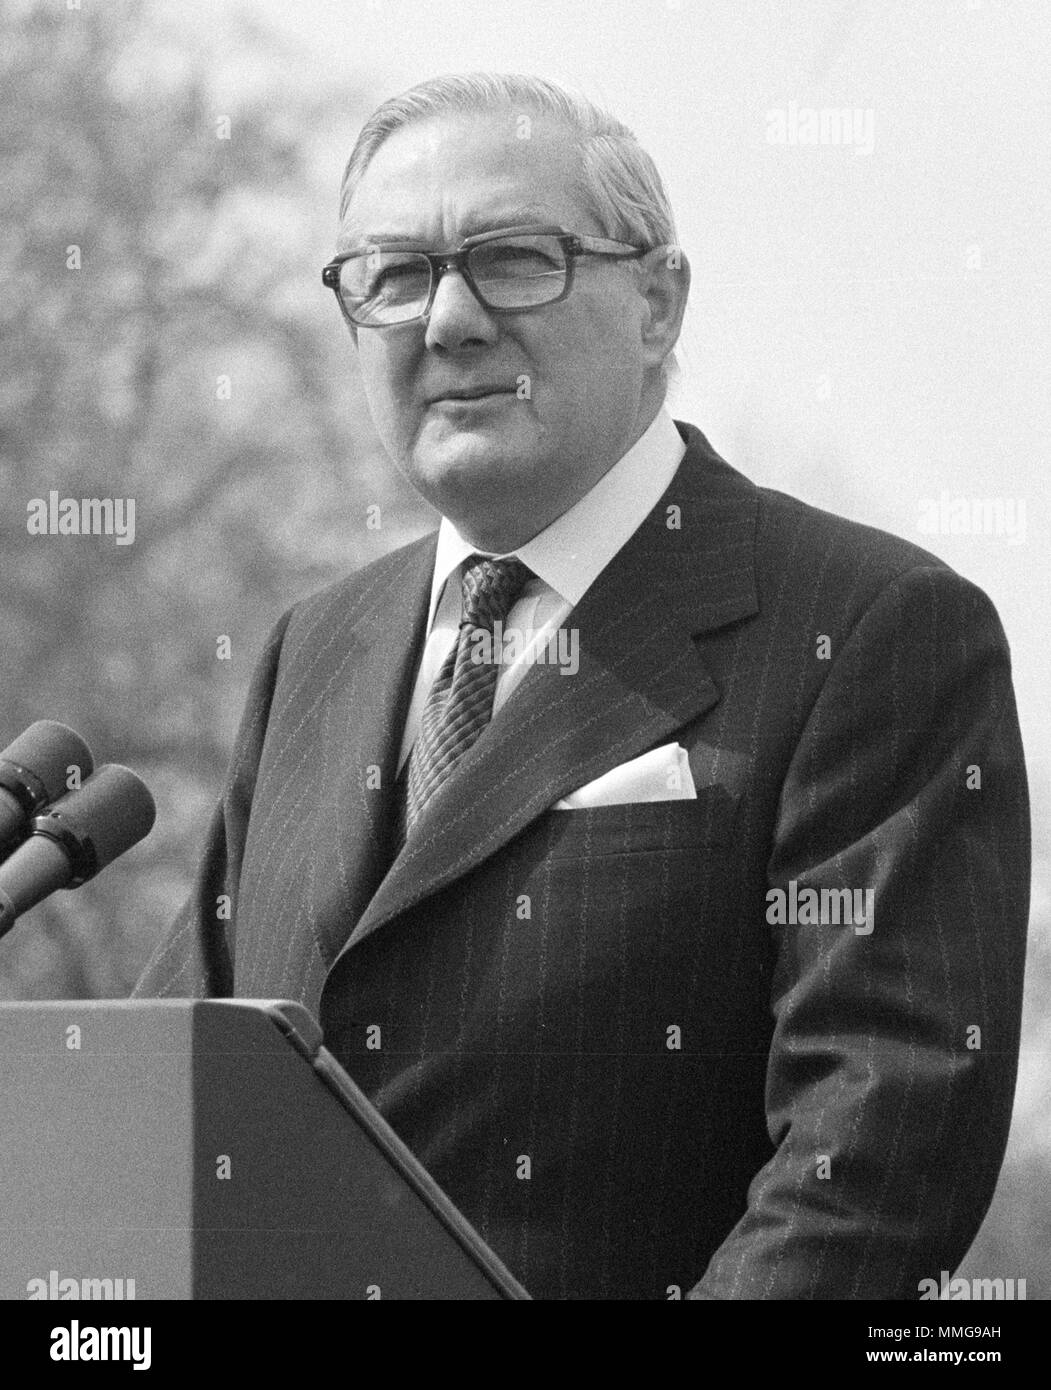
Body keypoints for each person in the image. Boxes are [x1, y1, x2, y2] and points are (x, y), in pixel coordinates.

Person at [135, 73, 1030, 1301]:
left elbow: (875, 1151)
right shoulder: (312, 650)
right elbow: (167, 1095)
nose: (446, 320)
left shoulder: (869, 628)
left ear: (657, 301)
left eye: (512, 258)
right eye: (390, 275)